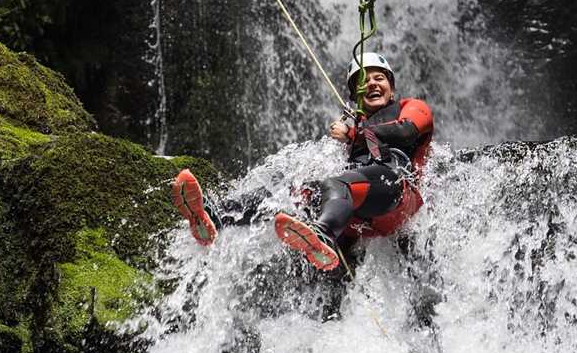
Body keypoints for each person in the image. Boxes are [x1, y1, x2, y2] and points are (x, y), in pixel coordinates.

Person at [172, 52, 434, 272]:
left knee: (337, 183)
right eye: (364, 82)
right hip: (359, 213)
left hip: (396, 192)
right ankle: (215, 217)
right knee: (291, 191)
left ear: (392, 89)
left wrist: (354, 134)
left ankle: (323, 235)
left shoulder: (411, 106)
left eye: (380, 78)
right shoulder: (355, 123)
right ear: (355, 96)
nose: (373, 84)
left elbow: (407, 131)